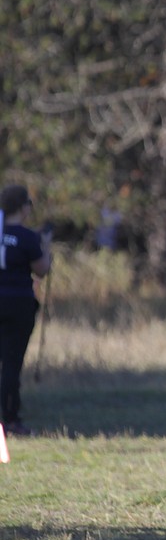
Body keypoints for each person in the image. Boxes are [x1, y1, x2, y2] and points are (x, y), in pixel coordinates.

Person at [0, 185, 52, 437]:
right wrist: (47, 246)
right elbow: (41, 269)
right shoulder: (28, 237)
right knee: (11, 363)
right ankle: (9, 419)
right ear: (23, 207)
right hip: (18, 304)